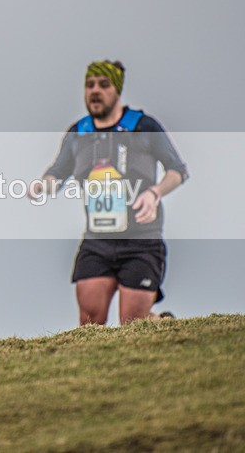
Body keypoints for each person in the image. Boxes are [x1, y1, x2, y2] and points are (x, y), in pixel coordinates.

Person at [29, 60, 187, 326]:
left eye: (104, 85)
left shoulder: (142, 126)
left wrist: (155, 192)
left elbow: (177, 170)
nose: (95, 91)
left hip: (141, 240)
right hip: (97, 241)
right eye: (89, 85)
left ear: (117, 91)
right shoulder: (78, 133)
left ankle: (159, 321)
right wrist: (42, 185)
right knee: (89, 323)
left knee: (133, 323)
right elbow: (58, 171)